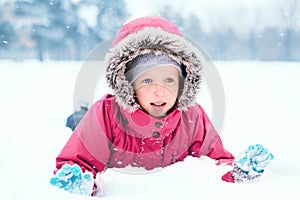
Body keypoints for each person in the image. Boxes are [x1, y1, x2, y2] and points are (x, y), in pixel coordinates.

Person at [50, 16, 274, 196]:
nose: (160, 91)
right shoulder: (105, 114)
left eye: (168, 80)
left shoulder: (192, 117)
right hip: (93, 121)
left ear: (182, 83)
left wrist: (237, 173)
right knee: (79, 120)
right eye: (147, 81)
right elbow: (77, 160)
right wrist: (79, 181)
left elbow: (215, 160)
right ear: (128, 84)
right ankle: (79, 112)